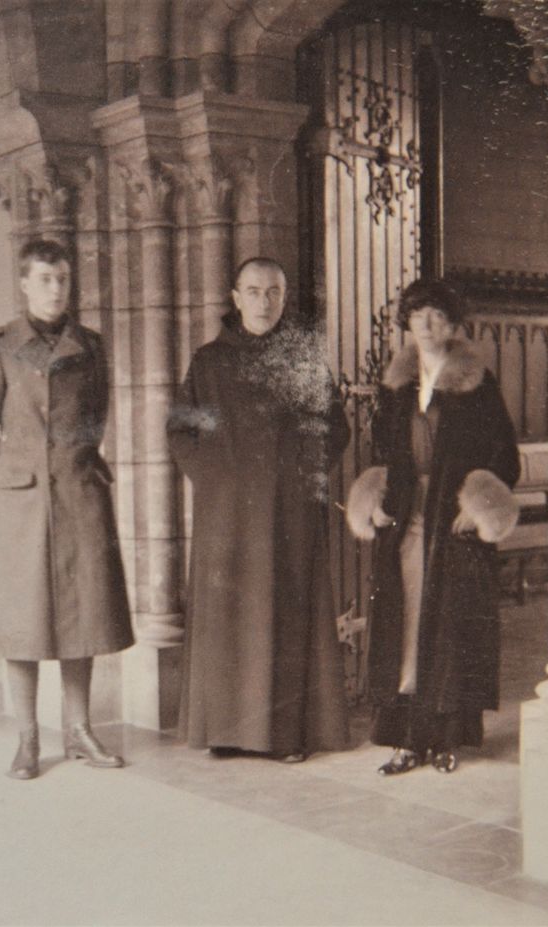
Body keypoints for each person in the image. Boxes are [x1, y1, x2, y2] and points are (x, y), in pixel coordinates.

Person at [0, 239, 133, 779]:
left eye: (62, 279)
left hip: (79, 496)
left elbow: (95, 415)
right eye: (45, 279)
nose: (56, 289)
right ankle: (28, 739)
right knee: (23, 622)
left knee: (83, 615)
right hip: (23, 504)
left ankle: (80, 731)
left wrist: (76, 467)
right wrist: (8, 481)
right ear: (25, 284)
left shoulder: (92, 346)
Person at [167, 257, 351, 761]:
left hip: (289, 513)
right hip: (225, 514)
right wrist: (215, 478)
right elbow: (180, 432)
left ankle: (286, 736)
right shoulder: (207, 362)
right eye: (254, 291)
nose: (264, 302)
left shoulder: (305, 358)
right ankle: (227, 731)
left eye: (273, 292)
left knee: (285, 615)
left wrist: (300, 473)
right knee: (229, 618)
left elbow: (335, 428)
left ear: (284, 297)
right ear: (235, 296)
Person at [346, 279, 520, 775]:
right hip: (407, 515)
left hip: (454, 522)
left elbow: (503, 454)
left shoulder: (479, 383)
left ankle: (446, 739)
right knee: (407, 625)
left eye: (436, 317)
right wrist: (372, 499)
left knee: (451, 628)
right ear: (407, 322)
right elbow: (381, 452)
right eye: (417, 316)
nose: (425, 326)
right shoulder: (396, 386)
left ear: (453, 324)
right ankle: (406, 740)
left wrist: (480, 503)